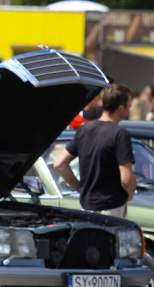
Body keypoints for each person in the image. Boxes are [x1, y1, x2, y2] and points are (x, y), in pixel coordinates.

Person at [54, 84, 136, 219]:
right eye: (128, 104)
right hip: (111, 207)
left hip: (87, 206)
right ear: (120, 108)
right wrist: (130, 192)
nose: (130, 107)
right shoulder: (119, 134)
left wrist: (80, 188)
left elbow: (59, 164)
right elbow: (126, 179)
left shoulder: (84, 129)